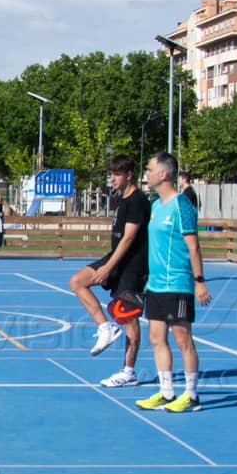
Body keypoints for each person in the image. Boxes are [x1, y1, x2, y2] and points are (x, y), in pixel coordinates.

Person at [134, 152, 213, 413]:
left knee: (183, 339)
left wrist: (199, 281)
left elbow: (194, 248)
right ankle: (167, 392)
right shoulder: (156, 206)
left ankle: (191, 395)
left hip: (178, 283)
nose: (146, 173)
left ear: (164, 174)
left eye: (150, 169)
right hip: (156, 285)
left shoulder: (182, 206)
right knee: (156, 338)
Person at [69, 156, 150, 388]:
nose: (112, 178)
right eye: (111, 174)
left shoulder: (137, 201)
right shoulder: (120, 199)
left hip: (133, 264)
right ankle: (105, 327)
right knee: (77, 282)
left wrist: (108, 267)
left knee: (129, 316)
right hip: (115, 257)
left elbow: (130, 238)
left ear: (129, 175)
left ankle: (129, 370)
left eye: (117, 174)